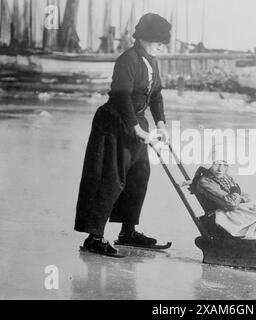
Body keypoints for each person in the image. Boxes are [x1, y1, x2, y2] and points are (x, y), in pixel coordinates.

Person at [74, 13, 171, 257]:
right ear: (148, 39)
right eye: (160, 42)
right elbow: (121, 96)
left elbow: (156, 93)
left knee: (139, 175)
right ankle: (94, 237)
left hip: (136, 120)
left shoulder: (152, 60)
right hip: (114, 122)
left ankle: (128, 231)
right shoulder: (127, 60)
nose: (163, 46)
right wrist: (136, 128)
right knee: (110, 178)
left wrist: (160, 122)